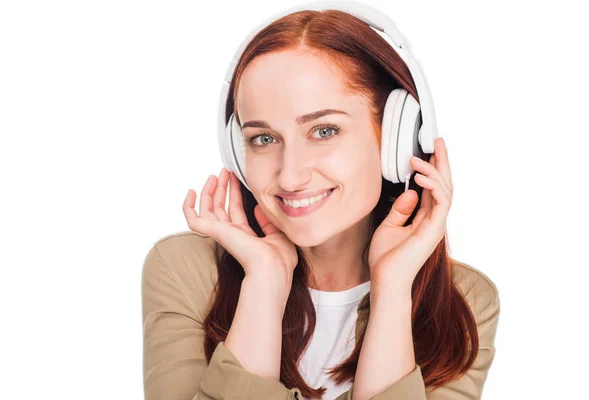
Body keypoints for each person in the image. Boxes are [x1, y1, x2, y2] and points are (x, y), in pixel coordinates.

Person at [141, 4, 500, 400]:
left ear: (398, 138)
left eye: (324, 130)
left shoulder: (464, 301)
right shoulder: (186, 270)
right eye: (263, 138)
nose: (291, 176)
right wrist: (264, 280)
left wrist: (394, 287)